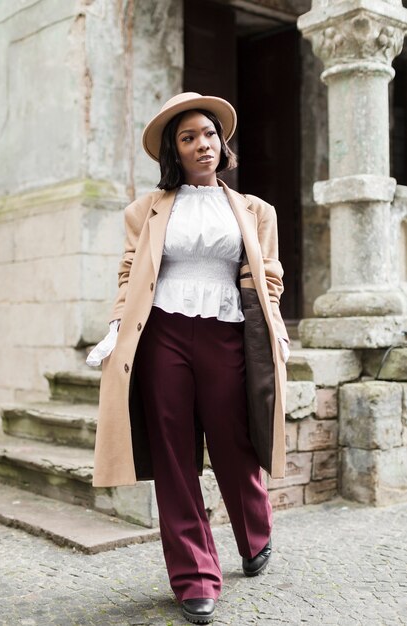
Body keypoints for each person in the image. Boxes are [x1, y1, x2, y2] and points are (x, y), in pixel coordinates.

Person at [87, 92, 289, 625]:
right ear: (174, 153)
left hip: (227, 333)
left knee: (234, 443)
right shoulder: (144, 211)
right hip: (163, 336)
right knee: (174, 457)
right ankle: (195, 576)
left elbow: (267, 274)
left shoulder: (254, 210)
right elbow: (130, 273)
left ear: (222, 144)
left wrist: (276, 324)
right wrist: (114, 328)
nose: (203, 144)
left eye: (209, 134)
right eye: (189, 137)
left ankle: (254, 531)